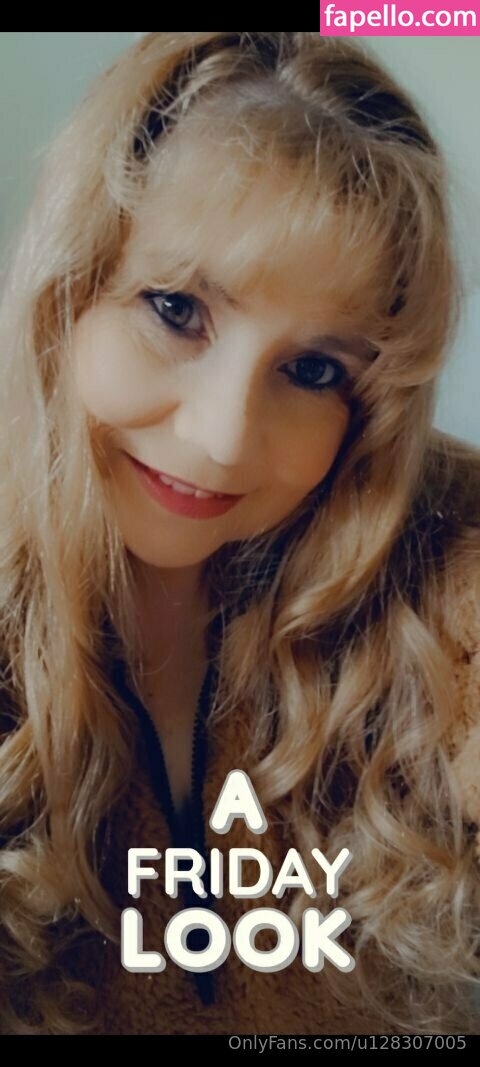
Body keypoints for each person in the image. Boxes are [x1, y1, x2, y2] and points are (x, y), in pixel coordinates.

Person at [0, 31, 479, 1038]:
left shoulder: (439, 583)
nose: (222, 438)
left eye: (313, 371)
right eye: (176, 310)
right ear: (66, 295)